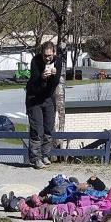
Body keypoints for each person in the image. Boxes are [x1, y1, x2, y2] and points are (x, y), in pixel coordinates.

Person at [25, 41, 62, 169]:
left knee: (48, 129)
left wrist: (54, 75)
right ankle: (36, 158)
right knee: (37, 130)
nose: (47, 58)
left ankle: (45, 155)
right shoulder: (35, 61)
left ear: (54, 53)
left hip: (48, 99)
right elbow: (34, 85)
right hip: (34, 99)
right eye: (45, 55)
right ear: (41, 54)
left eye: (50, 55)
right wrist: (42, 77)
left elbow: (55, 84)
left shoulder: (58, 62)